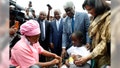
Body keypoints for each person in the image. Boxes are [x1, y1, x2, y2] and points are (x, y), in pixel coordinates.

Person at [74, 0, 111, 68]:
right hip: (97, 55)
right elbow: (95, 37)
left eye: (90, 9)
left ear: (98, 7)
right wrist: (91, 45)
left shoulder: (109, 18)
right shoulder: (96, 16)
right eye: (87, 10)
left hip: (107, 57)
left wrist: (88, 57)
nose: (88, 12)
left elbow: (104, 43)